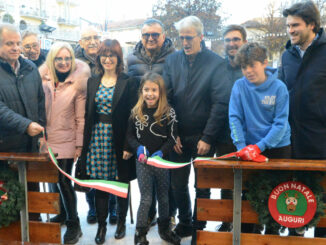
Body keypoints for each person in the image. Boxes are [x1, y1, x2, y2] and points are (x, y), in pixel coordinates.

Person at [163, 16, 230, 244]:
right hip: (178, 136)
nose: (185, 42)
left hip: (204, 136)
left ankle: (199, 226)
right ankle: (185, 222)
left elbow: (220, 103)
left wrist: (208, 136)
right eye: (181, 38)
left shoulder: (216, 63)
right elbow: (166, 99)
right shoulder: (172, 62)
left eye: (189, 37)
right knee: (177, 184)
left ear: (201, 37)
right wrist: (173, 132)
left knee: (202, 185)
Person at [79, 39, 138, 244]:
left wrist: (129, 145)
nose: (107, 59)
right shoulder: (93, 81)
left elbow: (134, 116)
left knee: (121, 182)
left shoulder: (128, 81)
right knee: (101, 183)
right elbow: (89, 113)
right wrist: (84, 144)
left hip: (120, 138)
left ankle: (121, 223)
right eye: (104, 55)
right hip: (97, 138)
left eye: (112, 55)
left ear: (118, 58)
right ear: (99, 58)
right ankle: (102, 226)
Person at [230, 42, 291, 234]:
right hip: (249, 150)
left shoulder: (279, 87)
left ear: (264, 63)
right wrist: (242, 146)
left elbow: (280, 123)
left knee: (277, 195)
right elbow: (235, 117)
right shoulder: (239, 86)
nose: (248, 71)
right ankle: (249, 235)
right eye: (243, 67)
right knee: (249, 197)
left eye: (252, 65)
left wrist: (260, 146)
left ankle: (273, 234)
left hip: (278, 147)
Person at [279, 1, 326, 237]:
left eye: (295, 25)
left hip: (320, 142)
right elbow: (277, 93)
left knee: (323, 205)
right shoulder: (286, 56)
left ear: (312, 25)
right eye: (288, 25)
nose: (290, 30)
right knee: (294, 202)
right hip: (290, 143)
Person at [39, 42, 90, 244]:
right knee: (53, 180)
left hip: (67, 140)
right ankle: (62, 214)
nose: (63, 62)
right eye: (59, 59)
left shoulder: (78, 84)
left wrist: (79, 145)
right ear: (52, 60)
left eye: (67, 58)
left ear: (72, 60)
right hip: (47, 139)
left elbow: (81, 118)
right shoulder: (42, 80)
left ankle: (73, 224)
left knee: (63, 182)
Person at [127, 18, 176, 228]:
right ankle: (148, 214)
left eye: (155, 34)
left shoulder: (174, 57)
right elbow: (130, 90)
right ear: (141, 36)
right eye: (146, 34)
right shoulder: (131, 58)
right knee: (147, 185)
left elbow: (176, 89)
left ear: (163, 36)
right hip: (141, 122)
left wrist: (175, 127)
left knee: (167, 182)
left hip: (165, 121)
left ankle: (168, 216)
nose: (150, 38)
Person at [126, 72, 180, 245]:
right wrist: (138, 149)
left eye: (154, 90)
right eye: (146, 90)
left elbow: (172, 138)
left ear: (161, 92)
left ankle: (165, 230)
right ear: (141, 91)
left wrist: (162, 152)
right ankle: (140, 234)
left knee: (164, 196)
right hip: (143, 162)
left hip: (162, 162)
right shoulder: (136, 112)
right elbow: (130, 136)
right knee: (146, 198)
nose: (150, 94)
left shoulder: (169, 113)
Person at [0, 24, 45, 221]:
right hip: (5, 148)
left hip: (30, 148)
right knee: (8, 202)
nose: (16, 48)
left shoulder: (30, 68)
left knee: (33, 199)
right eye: (9, 43)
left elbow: (40, 101)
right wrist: (25, 125)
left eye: (18, 43)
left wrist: (42, 133)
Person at [76, 26, 118, 226]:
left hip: (111, 126)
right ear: (80, 42)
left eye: (96, 37)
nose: (92, 41)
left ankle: (112, 207)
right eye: (87, 38)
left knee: (112, 169)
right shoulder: (75, 64)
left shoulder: (109, 58)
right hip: (90, 125)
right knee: (90, 168)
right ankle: (92, 207)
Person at [216, 24, 248, 233]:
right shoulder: (219, 68)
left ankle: (249, 224)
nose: (231, 44)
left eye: (236, 39)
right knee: (226, 183)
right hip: (224, 135)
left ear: (244, 41)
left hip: (250, 136)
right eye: (227, 40)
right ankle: (227, 221)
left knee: (248, 183)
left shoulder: (251, 66)